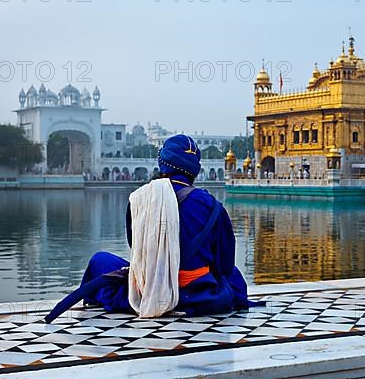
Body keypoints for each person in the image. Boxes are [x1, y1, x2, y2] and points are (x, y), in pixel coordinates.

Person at [45, 134, 260, 322]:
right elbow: (224, 263)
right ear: (195, 169)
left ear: (163, 164)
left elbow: (136, 247)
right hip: (197, 294)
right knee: (233, 277)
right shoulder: (213, 206)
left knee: (100, 261)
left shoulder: (140, 198)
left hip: (147, 288)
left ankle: (105, 302)